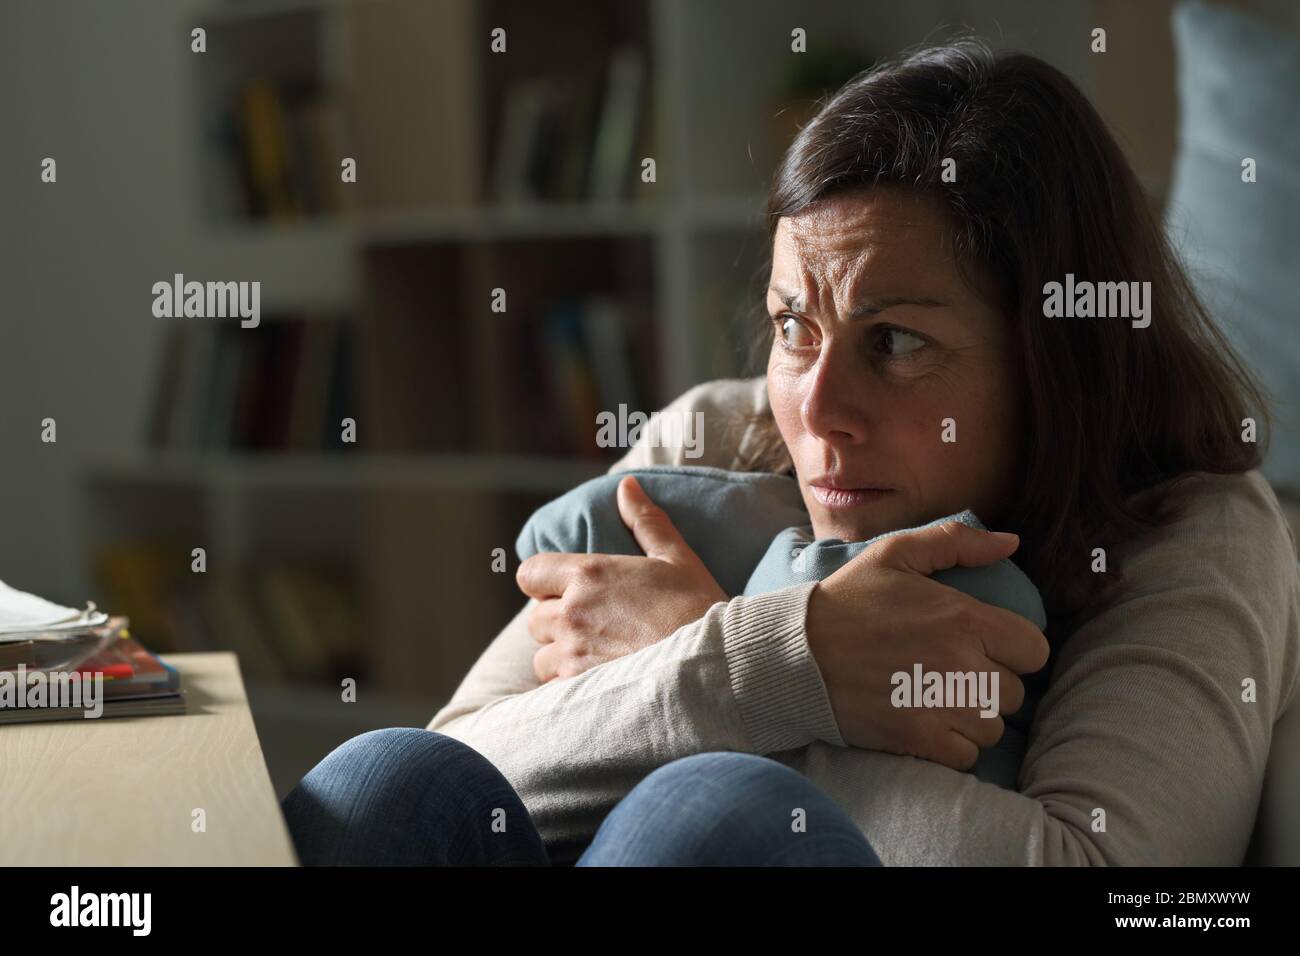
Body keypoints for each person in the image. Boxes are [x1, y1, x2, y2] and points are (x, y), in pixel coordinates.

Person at [281, 38, 1300, 866]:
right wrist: (759, 663)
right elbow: (463, 755)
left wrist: (738, 653)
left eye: (894, 342)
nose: (818, 406)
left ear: (1056, 361)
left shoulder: (1190, 525)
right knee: (386, 777)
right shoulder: (716, 439)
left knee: (717, 810)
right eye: (791, 325)